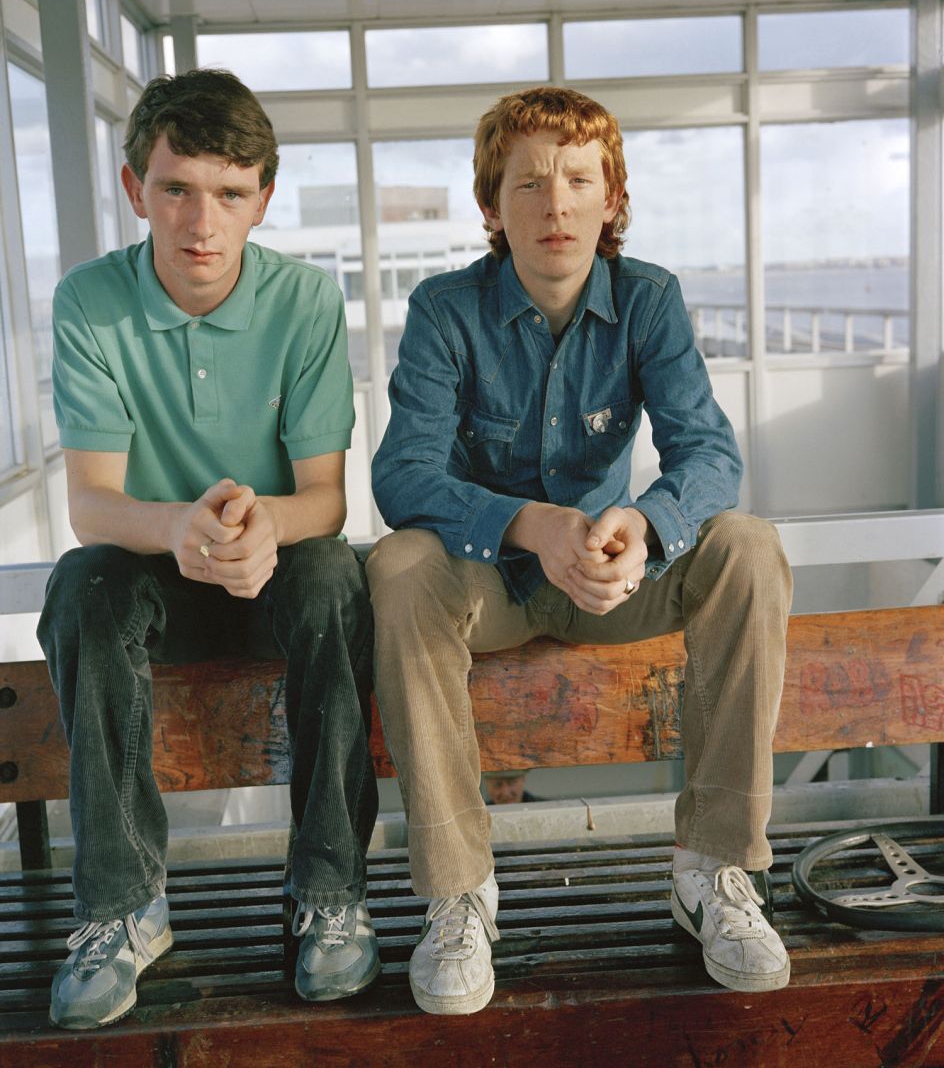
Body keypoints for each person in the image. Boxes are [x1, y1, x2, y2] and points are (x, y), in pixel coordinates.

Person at [366, 86, 792, 1017]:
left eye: (577, 181)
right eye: (527, 183)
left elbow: (710, 456)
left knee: (749, 547)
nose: (554, 204)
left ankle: (713, 871)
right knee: (396, 565)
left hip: (612, 579)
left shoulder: (650, 299)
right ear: (492, 206)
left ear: (612, 199)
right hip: (493, 583)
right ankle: (459, 891)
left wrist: (643, 526)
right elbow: (402, 474)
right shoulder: (444, 309)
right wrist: (528, 522)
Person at [37, 69, 379, 1030]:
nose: (201, 222)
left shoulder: (305, 300)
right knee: (82, 584)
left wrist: (263, 523)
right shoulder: (88, 302)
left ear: (263, 197)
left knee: (335, 574)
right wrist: (178, 527)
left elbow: (325, 499)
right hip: (151, 575)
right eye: (177, 188)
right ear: (134, 188)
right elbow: (92, 505)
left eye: (230, 193)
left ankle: (330, 892)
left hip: (276, 568)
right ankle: (122, 907)